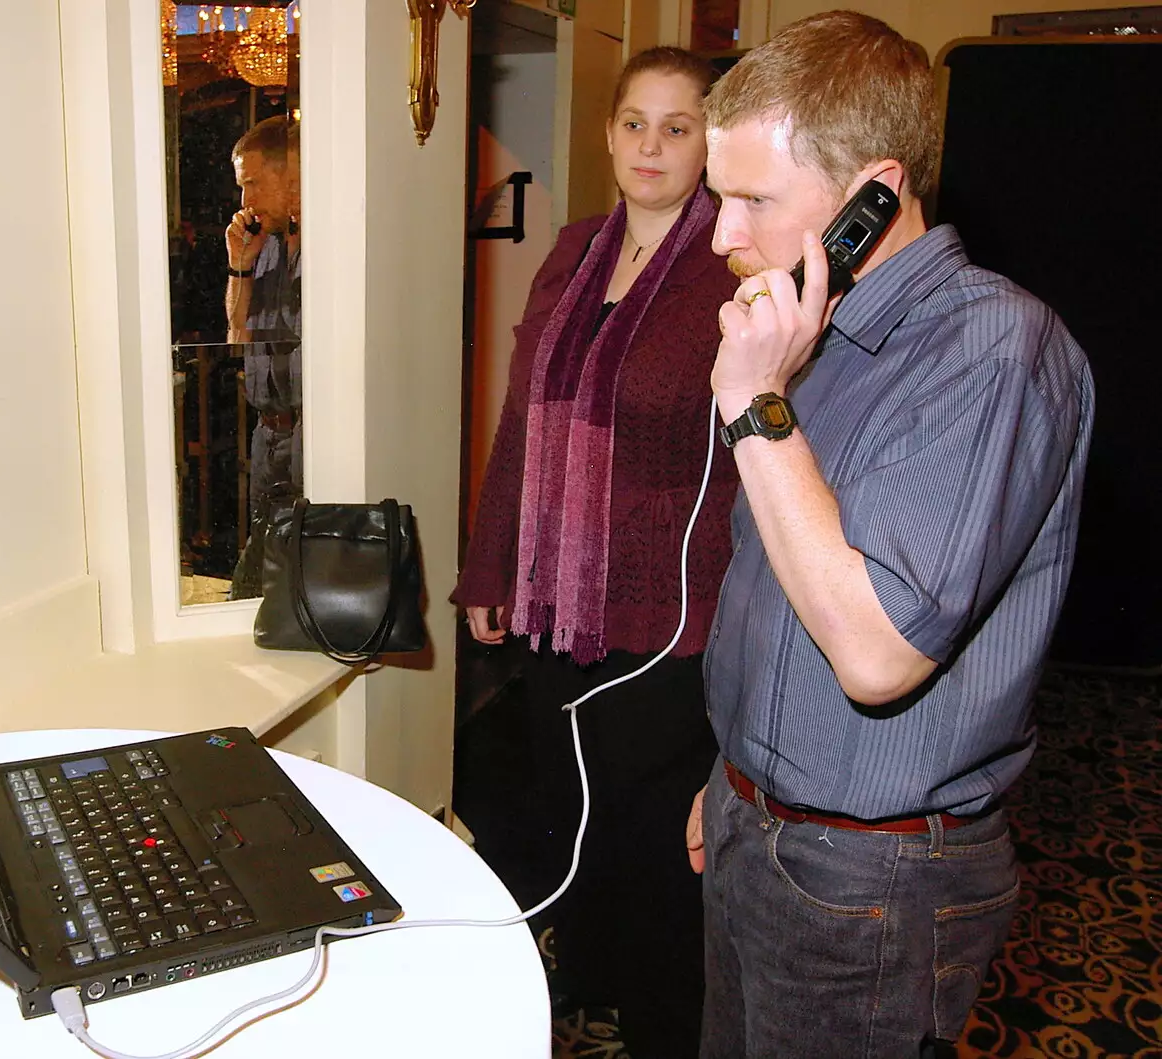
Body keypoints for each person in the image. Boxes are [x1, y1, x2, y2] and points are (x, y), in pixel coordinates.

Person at [685, 12, 1094, 1058]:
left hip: (865, 878)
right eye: (715, 195)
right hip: (758, 823)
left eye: (750, 200)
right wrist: (733, 776)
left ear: (875, 192)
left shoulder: (993, 351)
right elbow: (778, 586)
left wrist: (753, 408)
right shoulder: (809, 329)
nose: (719, 235)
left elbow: (872, 654)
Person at [452, 47, 740, 1057]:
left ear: (715, 138)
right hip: (551, 598)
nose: (650, 146)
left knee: (661, 849)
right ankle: (593, 983)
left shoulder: (736, 265)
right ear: (608, 131)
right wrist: (491, 566)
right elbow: (520, 420)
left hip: (671, 615)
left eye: (677, 126)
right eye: (633, 123)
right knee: (568, 808)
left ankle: (664, 1025)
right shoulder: (574, 247)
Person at [224, 115, 301, 599]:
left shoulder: (331, 246)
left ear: (290, 178)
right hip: (265, 433)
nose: (245, 201)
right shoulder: (262, 247)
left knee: (302, 562)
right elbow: (235, 338)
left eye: (252, 184)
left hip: (309, 430)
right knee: (260, 568)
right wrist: (240, 268)